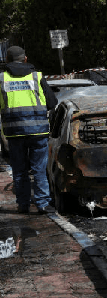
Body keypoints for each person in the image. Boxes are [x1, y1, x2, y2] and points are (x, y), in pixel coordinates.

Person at [0, 46, 59, 214]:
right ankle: (42, 204)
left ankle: (23, 205)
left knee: (19, 171)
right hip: (38, 131)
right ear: (25, 59)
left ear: (7, 60)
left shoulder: (2, 79)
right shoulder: (37, 76)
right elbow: (52, 103)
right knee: (39, 169)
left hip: (14, 133)